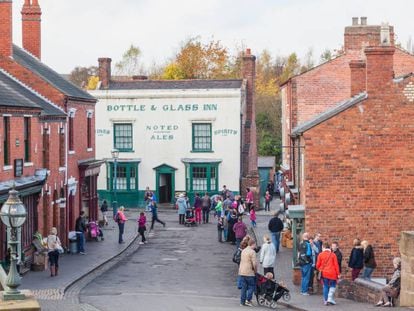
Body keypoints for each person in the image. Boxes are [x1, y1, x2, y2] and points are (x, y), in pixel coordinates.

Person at [316, 242, 340, 306]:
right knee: (333, 285)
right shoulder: (333, 255)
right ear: (329, 247)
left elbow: (317, 265)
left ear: (323, 247)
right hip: (333, 273)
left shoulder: (320, 255)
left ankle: (326, 300)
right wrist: (338, 273)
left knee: (325, 286)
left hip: (324, 273)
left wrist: (320, 269)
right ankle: (330, 298)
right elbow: (336, 265)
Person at [238, 239, 257, 307]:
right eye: (255, 245)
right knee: (251, 286)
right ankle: (248, 300)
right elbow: (254, 264)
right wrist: (255, 271)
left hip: (242, 272)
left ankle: (242, 302)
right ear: (253, 244)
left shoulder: (243, 250)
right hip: (249, 272)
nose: (255, 246)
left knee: (244, 288)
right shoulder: (252, 252)